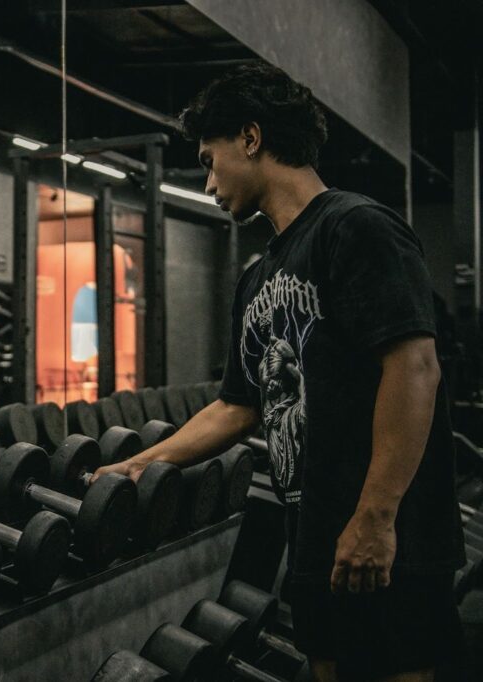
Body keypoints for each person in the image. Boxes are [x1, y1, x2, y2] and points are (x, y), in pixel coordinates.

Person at [94, 64, 464, 681]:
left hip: (387, 530)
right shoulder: (258, 276)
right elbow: (238, 407)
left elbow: (414, 367)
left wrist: (375, 517)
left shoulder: (356, 228)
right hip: (316, 530)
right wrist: (140, 463)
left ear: (251, 138)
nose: (209, 183)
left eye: (210, 161)